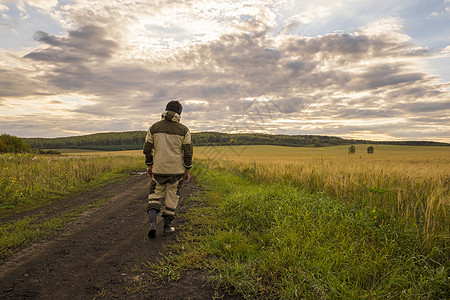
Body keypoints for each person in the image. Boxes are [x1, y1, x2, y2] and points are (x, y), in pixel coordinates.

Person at [143, 100, 193, 238]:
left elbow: (147, 148)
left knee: (155, 195)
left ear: (166, 110)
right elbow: (188, 152)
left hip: (158, 170)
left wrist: (149, 165)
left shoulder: (154, 128)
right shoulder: (184, 130)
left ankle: (152, 223)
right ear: (179, 113)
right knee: (172, 198)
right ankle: (166, 227)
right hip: (176, 171)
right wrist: (187, 169)